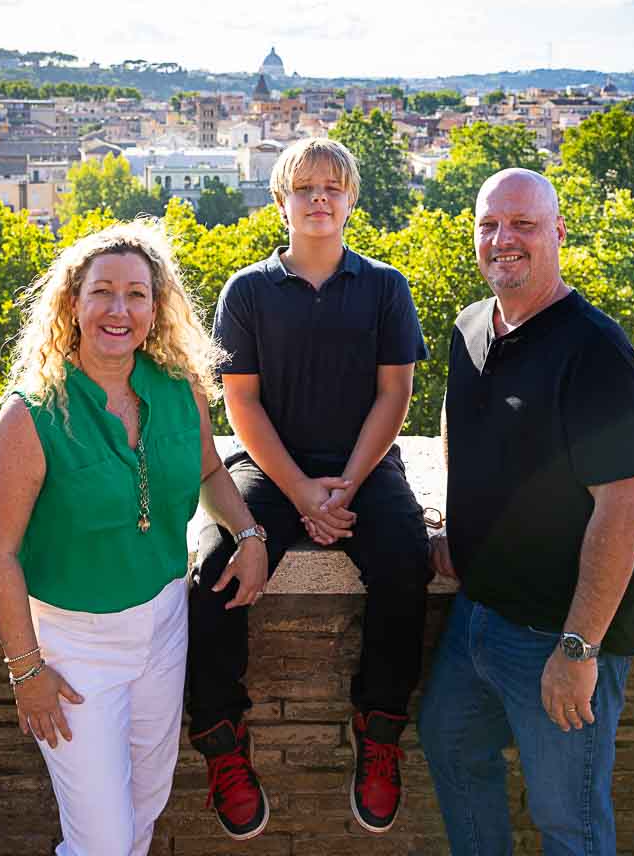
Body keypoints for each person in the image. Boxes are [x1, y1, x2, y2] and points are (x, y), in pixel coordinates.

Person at [0, 220, 267, 856]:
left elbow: (209, 471)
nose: (119, 309)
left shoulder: (180, 390)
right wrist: (27, 672)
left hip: (164, 629)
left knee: (143, 807)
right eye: (102, 291)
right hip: (73, 650)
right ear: (72, 304)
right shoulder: (32, 414)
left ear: (156, 307)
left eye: (136, 294)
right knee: (102, 841)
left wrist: (247, 532)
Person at [187, 137, 431, 840]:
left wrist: (346, 487)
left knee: (406, 564)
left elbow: (394, 395)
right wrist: (301, 495)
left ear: (352, 199)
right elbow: (242, 406)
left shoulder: (385, 286)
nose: (319, 198)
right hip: (270, 466)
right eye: (304, 187)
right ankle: (224, 739)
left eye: (332, 187)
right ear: (280, 201)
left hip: (365, 466)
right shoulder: (249, 290)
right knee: (213, 570)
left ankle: (378, 728)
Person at [419, 168, 634, 856]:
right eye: (489, 225)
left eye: (523, 224)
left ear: (558, 233)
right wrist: (453, 528)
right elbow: (460, 428)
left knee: (568, 821)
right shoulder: (469, 326)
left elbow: (624, 509)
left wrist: (578, 650)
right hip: (477, 619)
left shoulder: (596, 353)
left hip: (559, 634)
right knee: (450, 743)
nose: (503, 240)